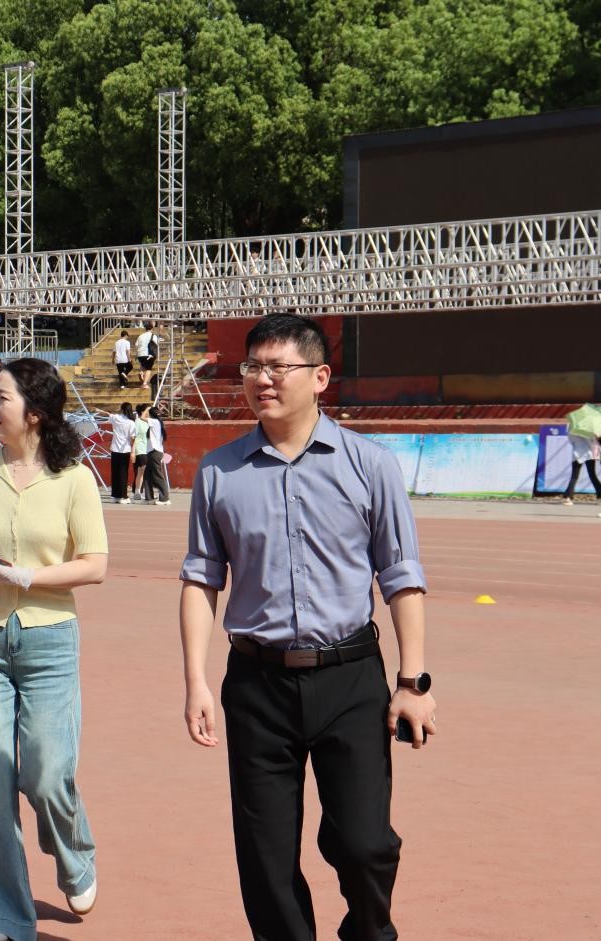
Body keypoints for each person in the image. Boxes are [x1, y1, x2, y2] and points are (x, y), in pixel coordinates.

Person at [180, 312, 436, 941]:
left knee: (365, 844)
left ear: (320, 377)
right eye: (252, 367)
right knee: (265, 858)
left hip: (350, 680)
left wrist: (412, 683)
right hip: (257, 684)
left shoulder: (370, 465)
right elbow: (201, 579)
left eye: (278, 367)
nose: (261, 379)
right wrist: (196, 681)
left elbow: (401, 576)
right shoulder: (218, 472)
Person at [0, 357, 107, 941]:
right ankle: (2, 912)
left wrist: (27, 577)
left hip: (49, 642)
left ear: (34, 412)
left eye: (1, 397)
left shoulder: (74, 479)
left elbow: (95, 565)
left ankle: (74, 855)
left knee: (47, 773)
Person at [105, 402, 136, 504]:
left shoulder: (116, 418)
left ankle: (115, 496)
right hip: (125, 449)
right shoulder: (131, 423)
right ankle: (123, 496)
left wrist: (98, 410)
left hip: (115, 449)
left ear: (122, 409)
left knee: (115, 473)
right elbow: (133, 437)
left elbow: (108, 414)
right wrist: (133, 449)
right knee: (123, 473)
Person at [561, 431, 601, 506]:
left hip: (577, 454)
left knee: (574, 476)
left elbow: (571, 440)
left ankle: (568, 497)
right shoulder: (591, 429)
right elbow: (595, 440)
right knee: (592, 475)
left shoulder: (573, 428)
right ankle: (600, 494)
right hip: (589, 454)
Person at [144, 405, 171, 506]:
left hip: (155, 452)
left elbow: (142, 418)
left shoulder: (155, 422)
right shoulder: (157, 422)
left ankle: (165, 498)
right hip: (151, 452)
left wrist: (146, 409)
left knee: (157, 476)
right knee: (147, 475)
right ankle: (149, 498)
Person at [135, 322, 157, 389]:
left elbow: (136, 345)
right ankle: (144, 384)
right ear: (152, 329)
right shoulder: (153, 335)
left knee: (143, 365)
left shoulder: (140, 336)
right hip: (148, 354)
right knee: (148, 369)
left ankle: (141, 372)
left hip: (140, 355)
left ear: (145, 328)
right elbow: (156, 345)